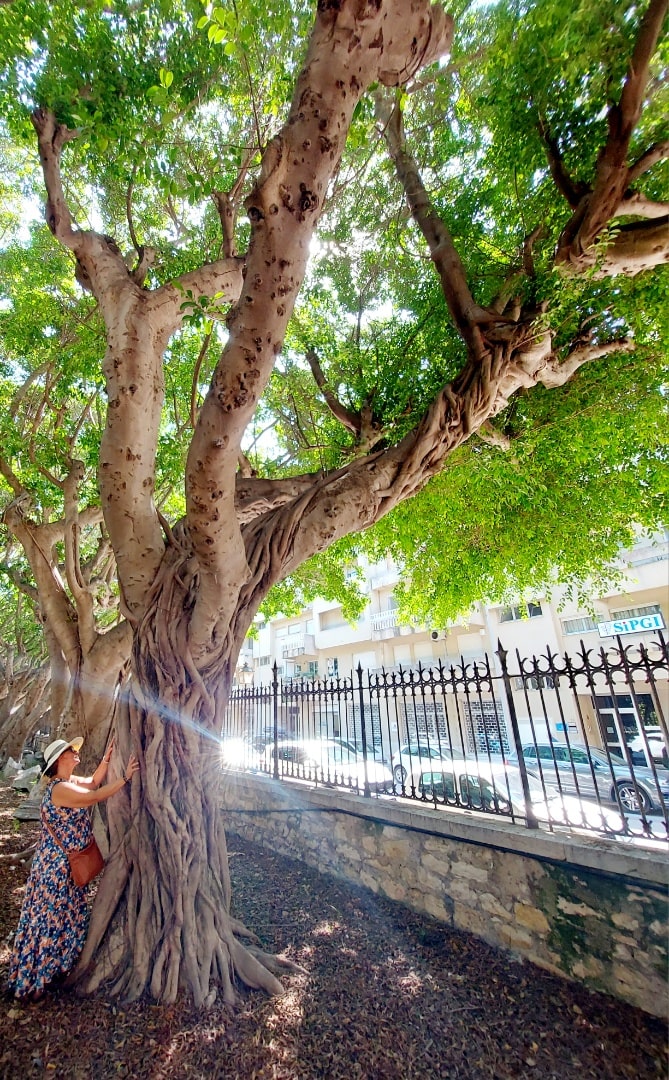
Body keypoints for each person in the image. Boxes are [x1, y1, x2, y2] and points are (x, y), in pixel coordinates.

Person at [7, 735, 140, 1002]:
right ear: (59, 760)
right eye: (69, 750)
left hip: (67, 868)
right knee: (48, 922)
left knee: (61, 918)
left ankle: (53, 972)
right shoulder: (59, 790)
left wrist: (107, 760)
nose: (75, 751)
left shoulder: (69, 782)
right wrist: (125, 778)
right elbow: (94, 796)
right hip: (55, 869)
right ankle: (33, 982)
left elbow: (92, 782)